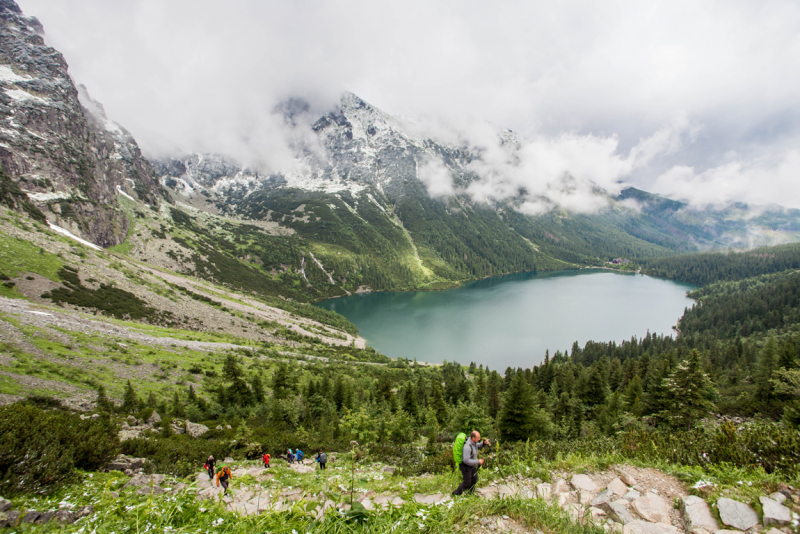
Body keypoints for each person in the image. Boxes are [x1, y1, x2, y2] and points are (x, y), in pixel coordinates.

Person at [452, 431, 490, 496]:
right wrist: (478, 462)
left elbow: (477, 446)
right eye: (478, 438)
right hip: (466, 466)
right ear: (473, 438)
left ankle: (470, 493)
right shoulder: (467, 447)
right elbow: (466, 460)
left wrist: (483, 443)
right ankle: (455, 494)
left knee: (474, 479)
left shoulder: (473, 443)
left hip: (471, 465)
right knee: (467, 482)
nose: (479, 439)